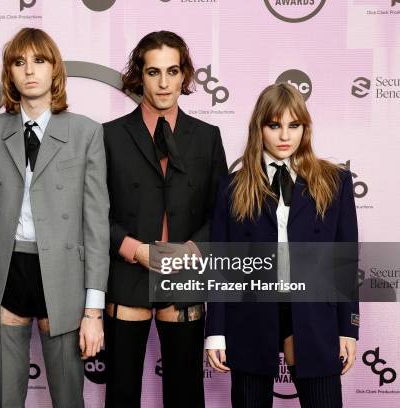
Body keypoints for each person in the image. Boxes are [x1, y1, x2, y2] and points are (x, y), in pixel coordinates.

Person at [0, 27, 109, 408]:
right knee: (6, 399)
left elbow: (96, 227)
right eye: (19, 62)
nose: (29, 70)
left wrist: (93, 311)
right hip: (5, 274)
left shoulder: (86, 133)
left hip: (62, 277)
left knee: (67, 398)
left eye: (39, 61)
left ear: (54, 70)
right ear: (9, 73)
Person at [205, 83, 359, 408]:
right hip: (249, 317)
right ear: (259, 128)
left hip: (316, 318)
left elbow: (343, 262)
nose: (284, 135)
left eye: (294, 125)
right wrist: (215, 331)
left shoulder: (336, 182)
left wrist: (348, 328)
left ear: (305, 128)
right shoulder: (232, 187)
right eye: (274, 125)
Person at [103, 30, 228, 407]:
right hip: (127, 274)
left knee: (186, 393)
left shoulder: (207, 137)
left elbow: (220, 213)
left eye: (172, 71)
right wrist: (132, 249)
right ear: (140, 75)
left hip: (186, 276)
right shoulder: (109, 136)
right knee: (122, 392)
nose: (163, 82)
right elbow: (92, 213)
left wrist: (192, 249)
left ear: (185, 75)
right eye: (153, 72)